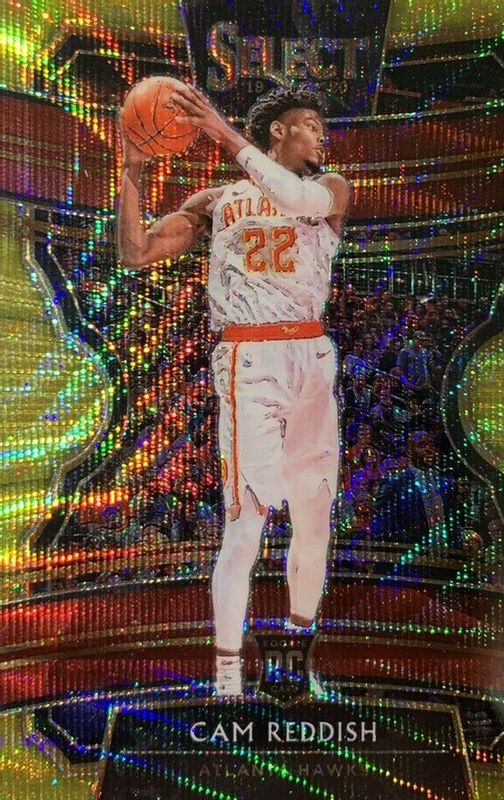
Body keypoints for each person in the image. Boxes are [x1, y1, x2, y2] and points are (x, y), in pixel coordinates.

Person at [117, 83, 351, 696]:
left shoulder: (331, 188)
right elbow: (135, 252)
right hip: (251, 357)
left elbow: (293, 196)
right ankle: (226, 678)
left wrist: (221, 131)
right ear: (278, 130)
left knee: (314, 518)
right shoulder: (217, 201)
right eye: (309, 123)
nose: (321, 135)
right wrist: (132, 170)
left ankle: (296, 658)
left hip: (312, 355)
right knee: (246, 523)